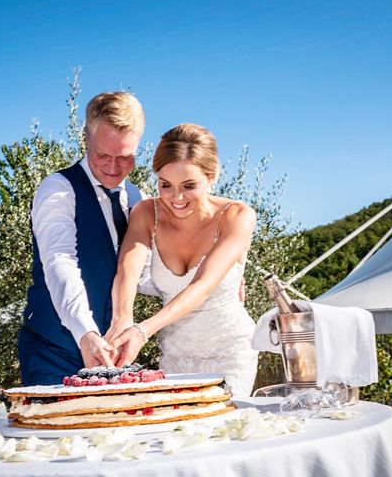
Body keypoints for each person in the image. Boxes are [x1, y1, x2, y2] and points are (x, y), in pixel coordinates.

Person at [106, 123, 259, 396]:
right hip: (175, 356)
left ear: (211, 176)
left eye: (189, 186)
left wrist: (143, 331)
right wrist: (122, 319)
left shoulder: (238, 216)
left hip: (230, 352)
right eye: (165, 185)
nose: (176, 198)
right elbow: (126, 271)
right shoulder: (145, 212)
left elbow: (202, 286)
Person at [18, 92, 149, 385]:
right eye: (103, 155)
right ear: (86, 139)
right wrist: (86, 333)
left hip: (114, 360)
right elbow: (59, 261)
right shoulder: (58, 189)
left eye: (125, 157)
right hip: (54, 354)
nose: (113, 167)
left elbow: (149, 275)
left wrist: (210, 272)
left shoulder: (141, 200)